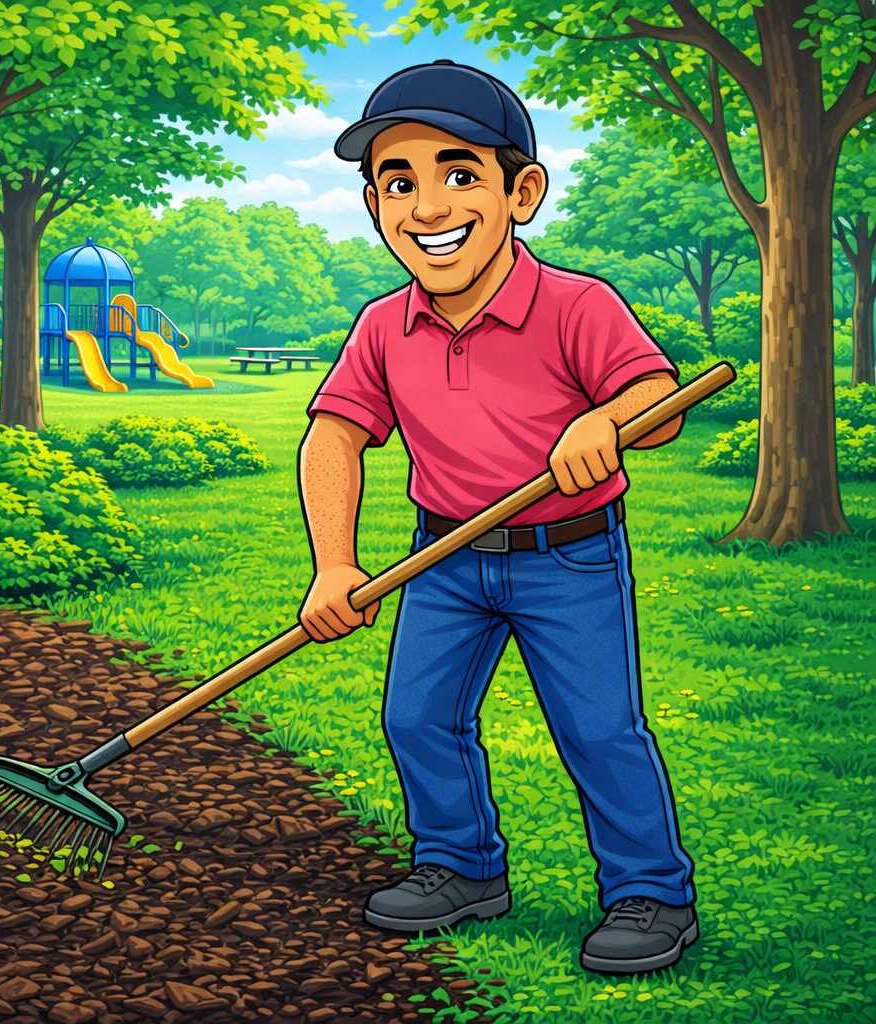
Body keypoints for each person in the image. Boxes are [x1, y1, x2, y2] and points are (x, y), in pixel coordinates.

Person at [297, 59, 697, 975]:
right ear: (373, 205)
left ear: (521, 192)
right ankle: (460, 866)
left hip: (569, 556)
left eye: (459, 175)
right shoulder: (381, 327)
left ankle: (651, 892)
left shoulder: (575, 305)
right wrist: (331, 564)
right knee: (417, 717)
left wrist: (609, 418)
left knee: (600, 727)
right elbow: (332, 439)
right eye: (399, 182)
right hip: (442, 559)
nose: (429, 207)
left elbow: (659, 398)